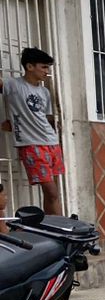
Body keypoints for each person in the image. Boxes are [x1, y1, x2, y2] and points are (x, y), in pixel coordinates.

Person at [1, 47, 64, 216]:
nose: (47, 71)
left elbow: (48, 118)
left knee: (52, 194)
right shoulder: (13, 85)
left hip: (52, 143)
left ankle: (54, 231)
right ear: (30, 67)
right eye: (43, 67)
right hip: (31, 145)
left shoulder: (44, 92)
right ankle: (59, 230)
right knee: (52, 192)